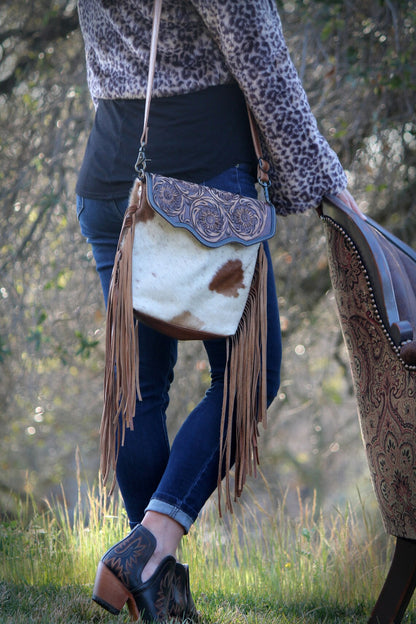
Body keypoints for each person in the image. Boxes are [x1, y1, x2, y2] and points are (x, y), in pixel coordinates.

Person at [75, 0, 362, 621]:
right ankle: (152, 551)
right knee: (250, 377)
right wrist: (325, 177)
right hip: (201, 182)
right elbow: (262, 61)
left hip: (111, 174)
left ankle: (159, 589)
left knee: (139, 390)